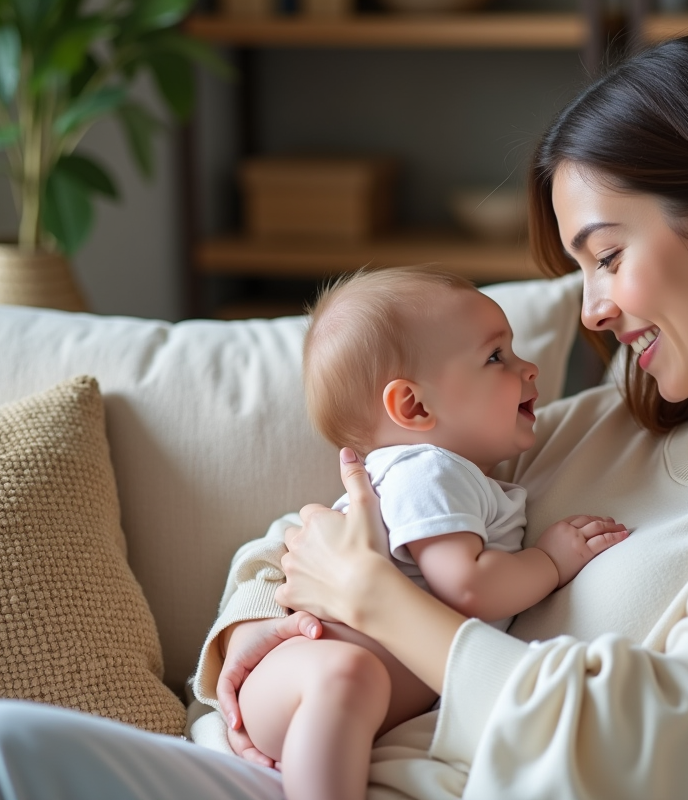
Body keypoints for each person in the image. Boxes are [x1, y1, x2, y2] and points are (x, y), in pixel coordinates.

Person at [0, 33, 688, 800]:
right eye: (581, 269)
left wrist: (383, 609)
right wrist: (263, 632)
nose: (594, 307)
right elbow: (310, 542)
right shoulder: (599, 426)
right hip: (284, 767)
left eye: (606, 254)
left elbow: (654, 749)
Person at [236, 266, 629, 800]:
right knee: (351, 675)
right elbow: (465, 586)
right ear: (415, 406)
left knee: (355, 680)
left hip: (314, 695)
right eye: (496, 357)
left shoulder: (457, 477)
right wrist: (551, 560)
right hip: (306, 675)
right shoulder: (430, 471)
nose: (529, 368)